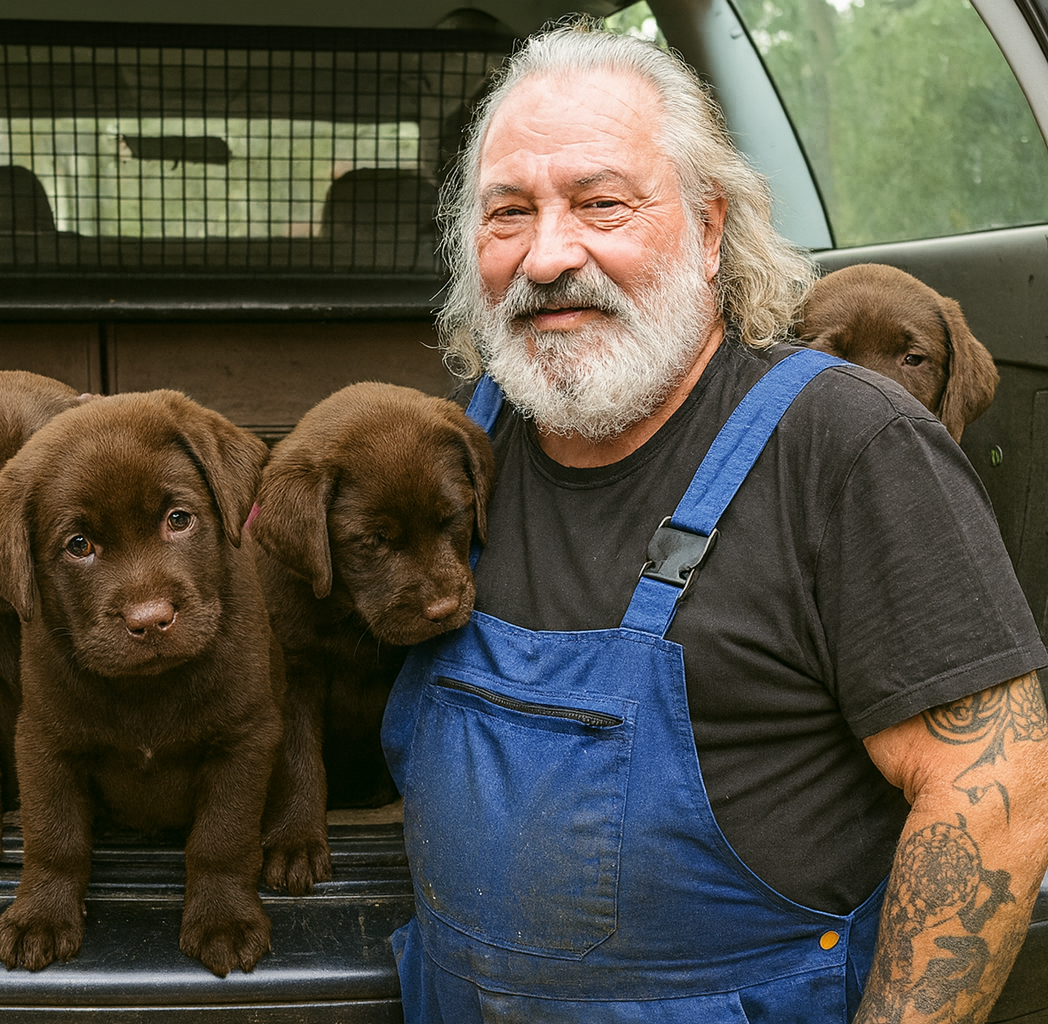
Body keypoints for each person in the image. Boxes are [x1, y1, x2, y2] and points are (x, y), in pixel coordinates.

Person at [380, 23, 1048, 1024]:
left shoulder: (851, 447)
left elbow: (992, 795)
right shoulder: (454, 453)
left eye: (602, 203)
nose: (548, 255)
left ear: (707, 229)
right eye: (508, 212)